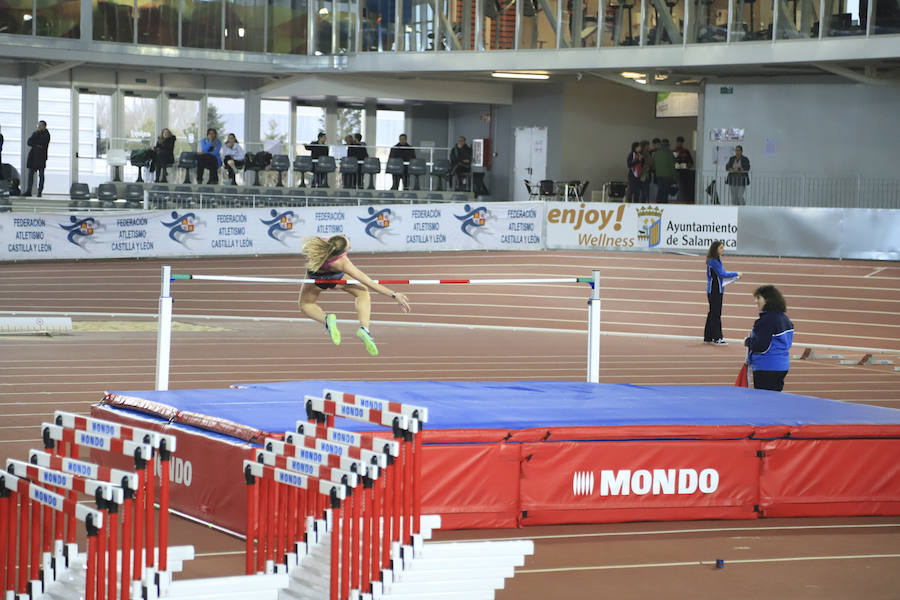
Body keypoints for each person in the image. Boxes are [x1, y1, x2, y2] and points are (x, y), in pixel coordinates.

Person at [299, 235, 411, 357]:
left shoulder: (319, 244)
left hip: (316, 277)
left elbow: (304, 248)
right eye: (348, 247)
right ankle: (364, 329)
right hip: (336, 277)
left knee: (306, 304)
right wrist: (394, 295)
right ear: (341, 252)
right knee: (363, 292)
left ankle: (327, 320)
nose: (350, 246)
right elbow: (369, 282)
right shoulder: (343, 263)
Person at [744, 285, 794, 391]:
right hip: (782, 366)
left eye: (758, 298)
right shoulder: (785, 319)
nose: (755, 301)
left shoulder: (766, 321)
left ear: (767, 300)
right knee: (774, 400)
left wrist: (748, 341)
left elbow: (761, 346)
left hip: (766, 366)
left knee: (763, 402)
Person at [704, 240, 741, 345]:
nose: (723, 249)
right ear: (715, 249)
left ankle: (708, 337)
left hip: (716, 290)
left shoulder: (716, 260)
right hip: (715, 291)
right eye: (721, 247)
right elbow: (722, 274)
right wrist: (736, 273)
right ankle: (717, 338)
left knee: (712, 313)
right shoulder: (713, 261)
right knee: (716, 314)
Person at [23, 120, 50, 197]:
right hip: (33, 157)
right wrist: (37, 144)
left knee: (41, 175)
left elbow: (42, 142)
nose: (39, 126)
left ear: (44, 126)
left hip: (41, 157)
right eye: (38, 125)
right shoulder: (36, 133)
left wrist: (35, 143)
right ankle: (29, 191)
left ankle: (40, 191)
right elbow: (29, 142)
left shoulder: (46, 135)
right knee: (30, 174)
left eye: (41, 125)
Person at [654, 138, 676, 204]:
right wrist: (674, 175)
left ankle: (658, 203)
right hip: (667, 175)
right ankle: (664, 204)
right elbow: (672, 165)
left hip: (659, 174)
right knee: (665, 191)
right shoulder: (669, 153)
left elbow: (654, 163)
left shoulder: (657, 153)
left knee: (660, 190)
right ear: (668, 145)